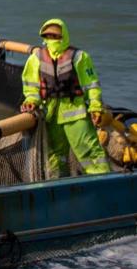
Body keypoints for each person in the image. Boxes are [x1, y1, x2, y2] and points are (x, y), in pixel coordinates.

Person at [21, 17, 109, 178]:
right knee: (54, 156)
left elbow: (92, 85)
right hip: (50, 115)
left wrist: (95, 107)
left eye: (55, 36)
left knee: (90, 151)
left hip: (76, 113)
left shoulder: (80, 57)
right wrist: (31, 101)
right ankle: (57, 183)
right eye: (48, 36)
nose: (52, 39)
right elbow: (31, 86)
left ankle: (103, 180)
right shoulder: (36, 58)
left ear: (64, 36)